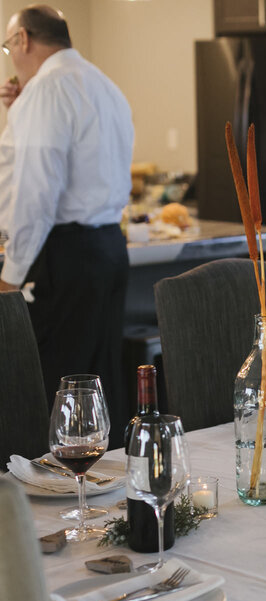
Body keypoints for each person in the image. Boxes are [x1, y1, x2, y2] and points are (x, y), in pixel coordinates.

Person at [0, 5, 133, 444]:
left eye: (7, 47)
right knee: (99, 383)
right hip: (109, 248)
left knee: (53, 384)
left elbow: (36, 194)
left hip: (64, 255)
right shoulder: (104, 84)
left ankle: (55, 501)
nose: (10, 59)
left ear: (23, 39)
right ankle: (107, 495)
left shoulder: (46, 90)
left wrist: (11, 275)